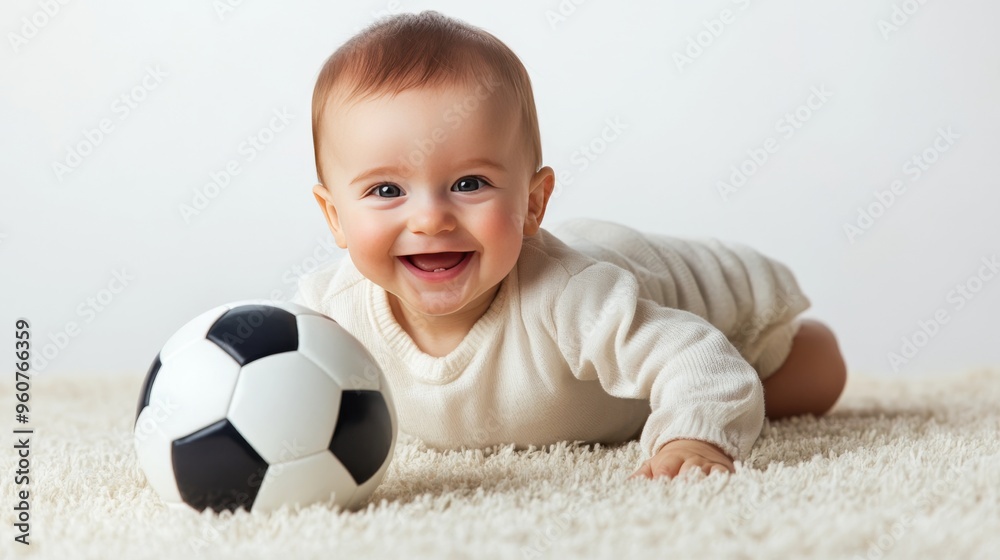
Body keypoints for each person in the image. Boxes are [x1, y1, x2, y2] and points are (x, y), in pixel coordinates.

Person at [292, 10, 847, 479]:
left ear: (533, 203)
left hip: (709, 298)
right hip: (603, 262)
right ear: (334, 216)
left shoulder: (572, 299)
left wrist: (696, 440)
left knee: (816, 375)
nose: (432, 218)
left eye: (469, 184)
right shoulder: (328, 317)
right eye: (386, 190)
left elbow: (701, 360)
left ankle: (797, 341)